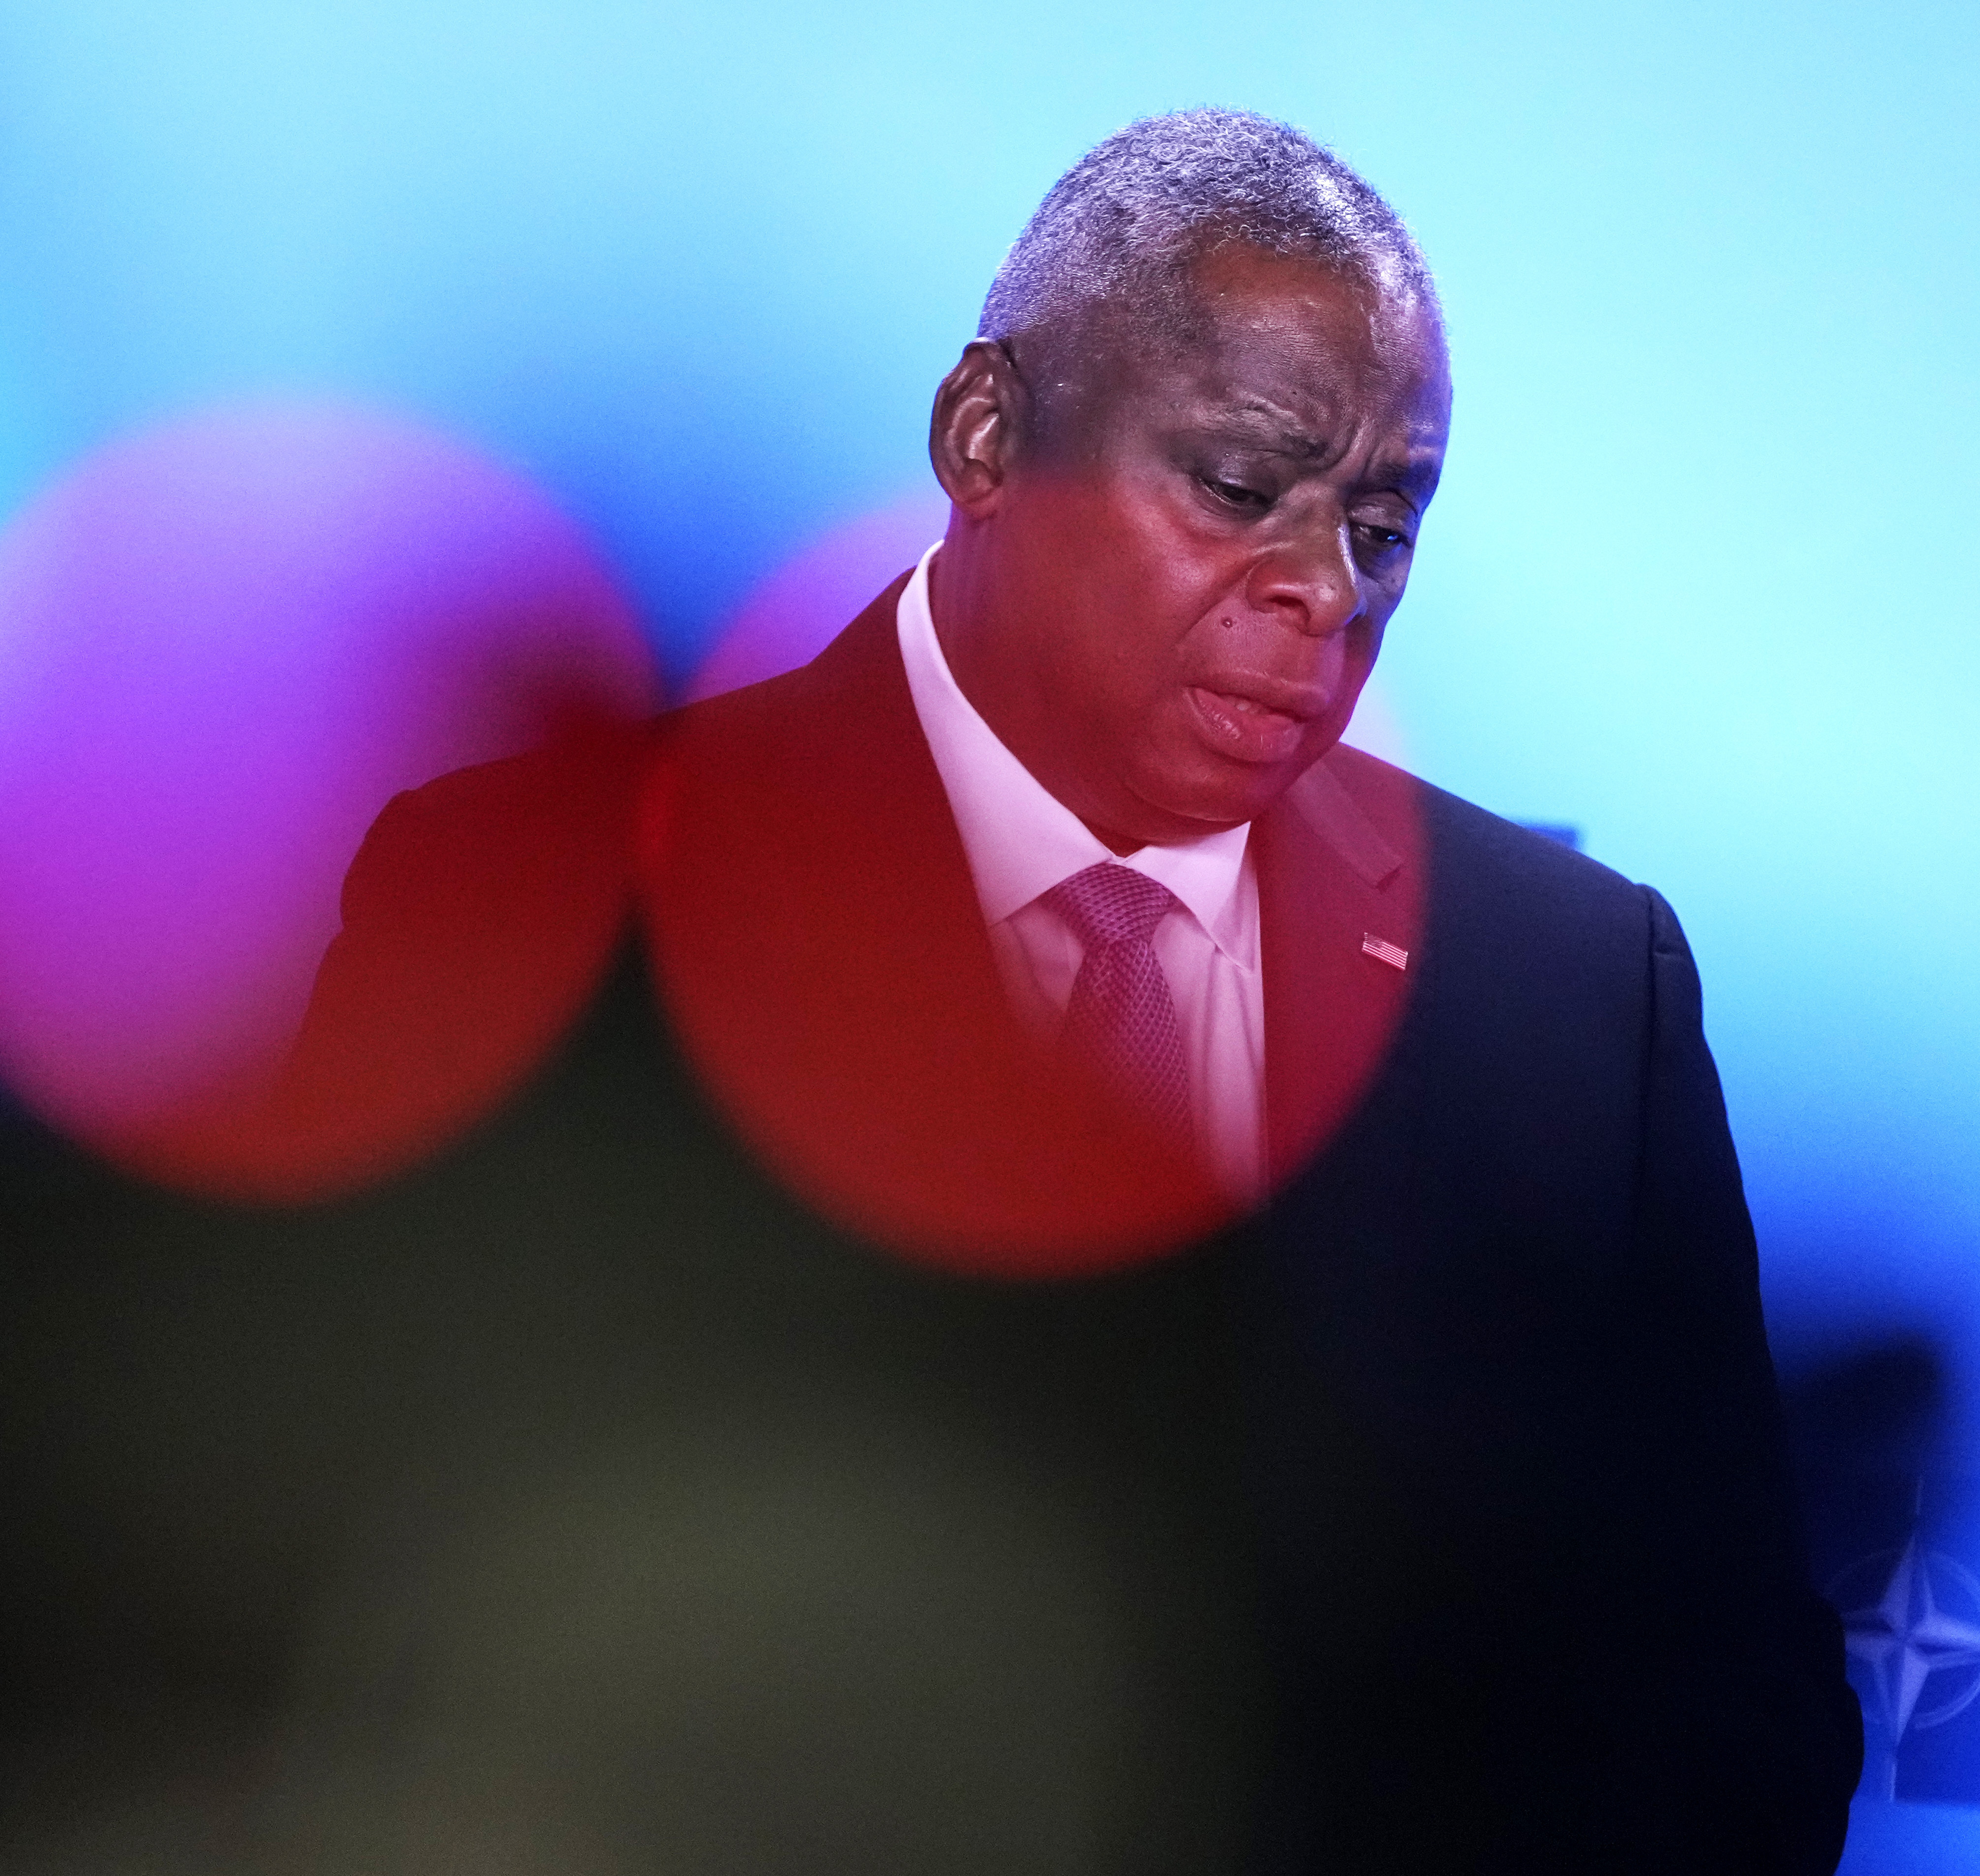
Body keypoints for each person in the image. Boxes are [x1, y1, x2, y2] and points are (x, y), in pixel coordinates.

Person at [291, 109, 1862, 1873]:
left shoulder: (1572, 993)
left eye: (1382, 526)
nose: (1319, 592)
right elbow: (336, 1558)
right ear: (985, 436)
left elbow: (1742, 1708)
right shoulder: (559, 895)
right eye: (1242, 487)